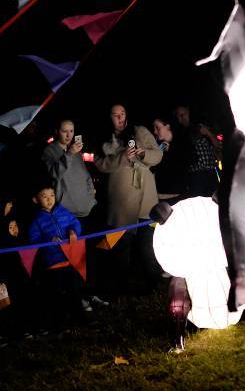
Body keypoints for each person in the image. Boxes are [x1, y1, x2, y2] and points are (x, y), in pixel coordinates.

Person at [95, 104, 163, 292]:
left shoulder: (140, 131)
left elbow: (158, 154)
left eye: (123, 113)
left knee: (148, 245)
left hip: (146, 197)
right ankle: (121, 288)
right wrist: (121, 157)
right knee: (121, 247)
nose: (120, 118)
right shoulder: (104, 138)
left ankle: (153, 286)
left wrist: (143, 153)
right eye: (115, 115)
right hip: (121, 199)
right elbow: (100, 164)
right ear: (109, 117)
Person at [28, 182, 90, 333]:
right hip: (53, 263)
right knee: (56, 294)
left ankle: (81, 318)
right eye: (44, 197)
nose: (49, 199)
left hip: (70, 259)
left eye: (52, 195)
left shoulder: (63, 211)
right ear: (36, 200)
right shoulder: (37, 220)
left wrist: (73, 231)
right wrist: (48, 242)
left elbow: (75, 223)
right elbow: (34, 241)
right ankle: (59, 323)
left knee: (74, 290)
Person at [41, 119, 97, 227]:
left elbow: (86, 176)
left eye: (71, 131)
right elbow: (55, 174)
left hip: (85, 208)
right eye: (64, 131)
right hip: (66, 212)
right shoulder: (49, 151)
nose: (68, 135)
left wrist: (91, 198)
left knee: (87, 242)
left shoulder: (75, 152)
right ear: (57, 131)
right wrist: (70, 153)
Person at [173, 105, 220, 197]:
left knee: (216, 201)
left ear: (189, 112)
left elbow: (217, 145)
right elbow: (188, 141)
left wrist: (208, 133)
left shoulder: (200, 125)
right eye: (179, 115)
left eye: (184, 114)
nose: (182, 117)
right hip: (195, 176)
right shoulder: (179, 132)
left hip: (211, 173)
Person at [152, 117, 192, 205]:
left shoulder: (182, 141)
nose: (155, 131)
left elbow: (192, 159)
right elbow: (153, 167)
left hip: (179, 195)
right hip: (160, 195)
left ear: (167, 126)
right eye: (154, 129)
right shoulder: (156, 146)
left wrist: (172, 150)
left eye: (157, 128)